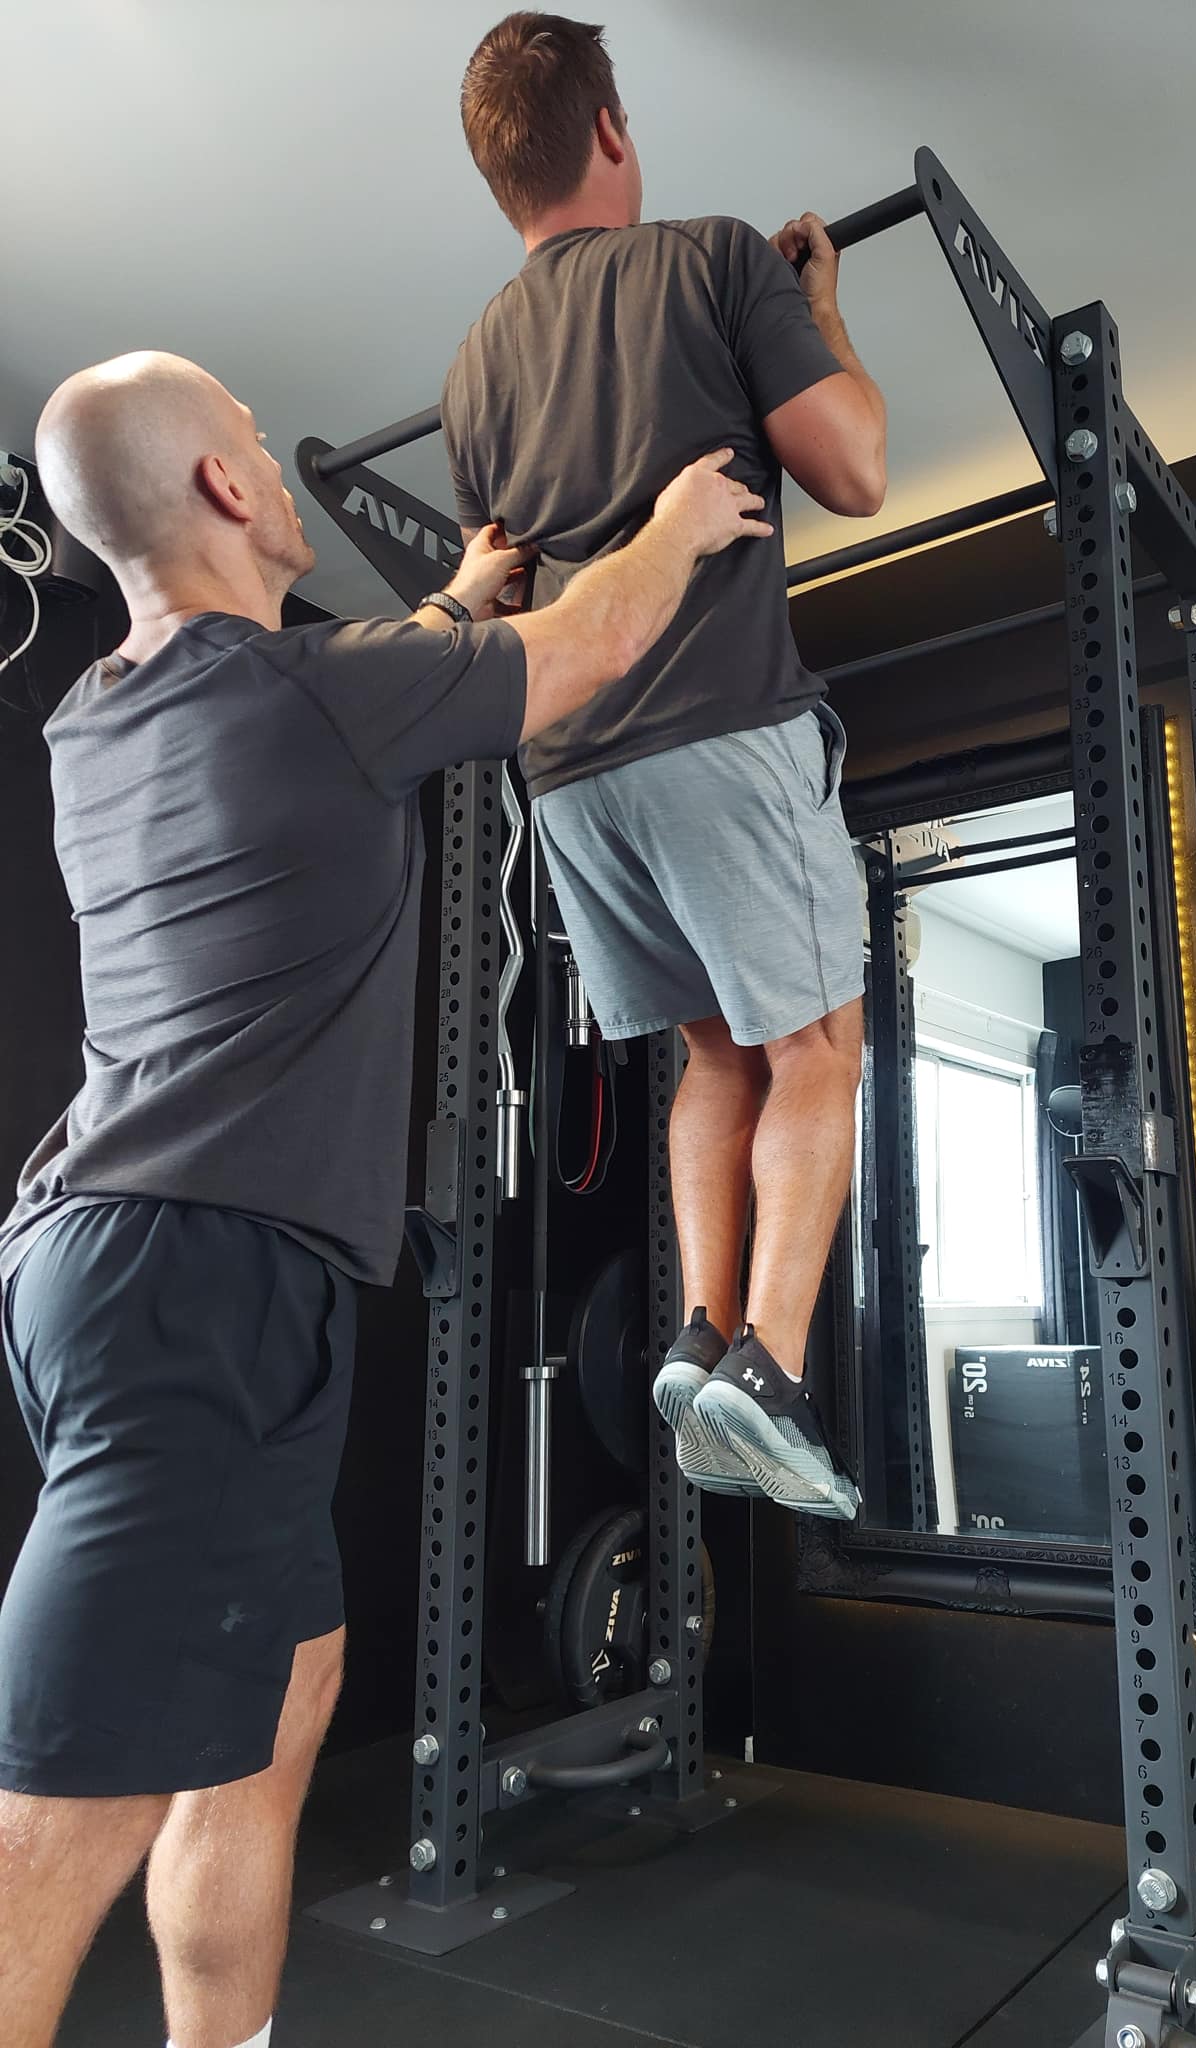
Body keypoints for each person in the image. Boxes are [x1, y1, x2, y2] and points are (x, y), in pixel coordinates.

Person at [0, 348, 769, 2048]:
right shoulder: (313, 694)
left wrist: (449, 604)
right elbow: (585, 648)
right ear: (220, 489)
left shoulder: (104, 720)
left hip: (152, 1268)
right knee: (74, 1790)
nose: (277, 473)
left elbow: (352, 691)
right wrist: (681, 522)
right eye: (259, 450)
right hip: (191, 1276)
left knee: (273, 1719)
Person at [444, 12, 889, 1520]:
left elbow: (494, 573)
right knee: (819, 1047)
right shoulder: (711, 259)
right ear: (613, 132)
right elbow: (855, 470)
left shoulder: (474, 372)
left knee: (716, 1050)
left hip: (568, 778)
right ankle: (772, 1361)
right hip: (717, 727)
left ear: (503, 177)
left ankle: (702, 1341)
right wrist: (818, 312)